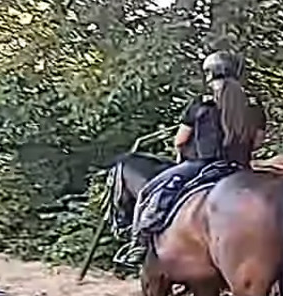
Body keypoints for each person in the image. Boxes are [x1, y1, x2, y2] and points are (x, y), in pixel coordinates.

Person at [114, 50, 267, 266]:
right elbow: (258, 142)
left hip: (203, 166)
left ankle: (139, 244)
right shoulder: (253, 105)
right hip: (241, 168)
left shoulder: (202, 103)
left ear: (209, 74)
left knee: (152, 191)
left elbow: (180, 140)